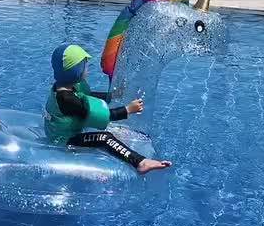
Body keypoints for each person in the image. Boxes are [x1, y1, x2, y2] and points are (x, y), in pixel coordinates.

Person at [44, 44, 172, 175]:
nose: (87, 69)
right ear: (74, 71)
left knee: (108, 132)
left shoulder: (65, 87)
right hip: (65, 140)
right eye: (84, 66)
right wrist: (128, 109)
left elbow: (87, 97)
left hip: (61, 130)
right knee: (104, 138)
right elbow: (102, 116)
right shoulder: (66, 99)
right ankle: (140, 163)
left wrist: (112, 95)